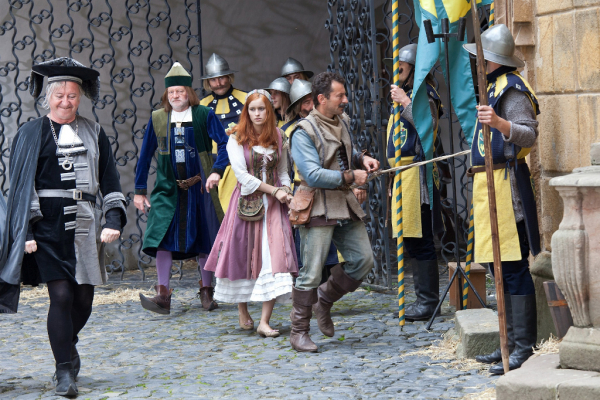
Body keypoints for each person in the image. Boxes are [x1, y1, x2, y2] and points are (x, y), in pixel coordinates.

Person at [0, 57, 126, 396]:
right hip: (45, 226)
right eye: (60, 96)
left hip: (85, 223)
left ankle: (67, 342)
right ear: (48, 97)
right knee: (61, 295)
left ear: (79, 97)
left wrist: (113, 218)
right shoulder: (31, 132)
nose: (66, 102)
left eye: (72, 95)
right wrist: (26, 232)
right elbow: (21, 185)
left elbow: (110, 179)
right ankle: (64, 372)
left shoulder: (94, 132)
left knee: (83, 299)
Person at [463, 24, 541, 375]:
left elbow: (528, 134)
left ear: (492, 59)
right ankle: (506, 342)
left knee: (513, 268)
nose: (476, 63)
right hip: (488, 187)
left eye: (480, 58)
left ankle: (523, 347)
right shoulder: (492, 87)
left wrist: (498, 122)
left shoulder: (512, 90)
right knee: (497, 268)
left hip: (508, 190)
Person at [289, 72, 379, 352]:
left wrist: (362, 158)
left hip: (343, 202)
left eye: (344, 95)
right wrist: (352, 177)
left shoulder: (343, 120)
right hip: (316, 204)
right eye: (340, 95)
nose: (345, 100)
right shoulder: (303, 132)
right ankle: (298, 332)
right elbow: (312, 174)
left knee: (363, 260)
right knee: (311, 272)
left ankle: (324, 301)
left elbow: (345, 154)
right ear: (321, 98)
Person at [135, 62, 229, 312]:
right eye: (172, 92)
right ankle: (163, 295)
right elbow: (145, 155)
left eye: (180, 91)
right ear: (167, 94)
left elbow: (224, 144)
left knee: (204, 237)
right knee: (162, 236)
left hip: (199, 189)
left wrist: (217, 171)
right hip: (168, 189)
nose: (176, 96)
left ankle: (207, 291)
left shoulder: (203, 114)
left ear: (189, 93)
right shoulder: (158, 118)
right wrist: (139, 191)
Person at [205, 90, 298, 336]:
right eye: (253, 109)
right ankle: (242, 309)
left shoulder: (279, 136)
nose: (257, 114)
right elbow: (243, 177)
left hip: (274, 207)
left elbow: (283, 170)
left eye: (262, 109)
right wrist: (275, 191)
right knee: (243, 255)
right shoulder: (236, 137)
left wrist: (286, 190)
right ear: (247, 112)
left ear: (269, 111)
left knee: (274, 257)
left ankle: (264, 321)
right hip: (246, 203)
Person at [384, 44, 444, 321]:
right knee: (410, 239)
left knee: (420, 240)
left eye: (402, 68)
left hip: (418, 175)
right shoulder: (405, 94)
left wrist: (407, 102)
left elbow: (427, 127)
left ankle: (428, 302)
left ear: (415, 69)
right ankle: (423, 299)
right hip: (403, 176)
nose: (397, 72)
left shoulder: (425, 94)